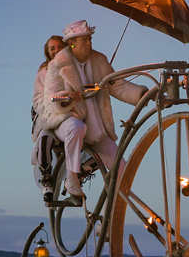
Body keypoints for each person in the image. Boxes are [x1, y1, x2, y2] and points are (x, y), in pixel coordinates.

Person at [43, 20, 148, 197]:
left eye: (90, 39)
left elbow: (118, 86)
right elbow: (50, 99)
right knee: (77, 127)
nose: (89, 43)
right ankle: (71, 178)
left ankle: (111, 215)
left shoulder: (99, 61)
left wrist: (143, 94)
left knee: (122, 167)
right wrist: (68, 97)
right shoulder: (58, 64)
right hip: (66, 121)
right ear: (72, 43)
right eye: (84, 40)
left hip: (95, 128)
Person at [31, 35, 67, 201]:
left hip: (69, 116)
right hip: (49, 118)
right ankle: (47, 178)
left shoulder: (72, 67)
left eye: (59, 46)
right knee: (45, 139)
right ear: (47, 52)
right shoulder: (43, 73)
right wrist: (56, 103)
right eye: (52, 48)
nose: (56, 51)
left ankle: (78, 174)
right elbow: (39, 99)